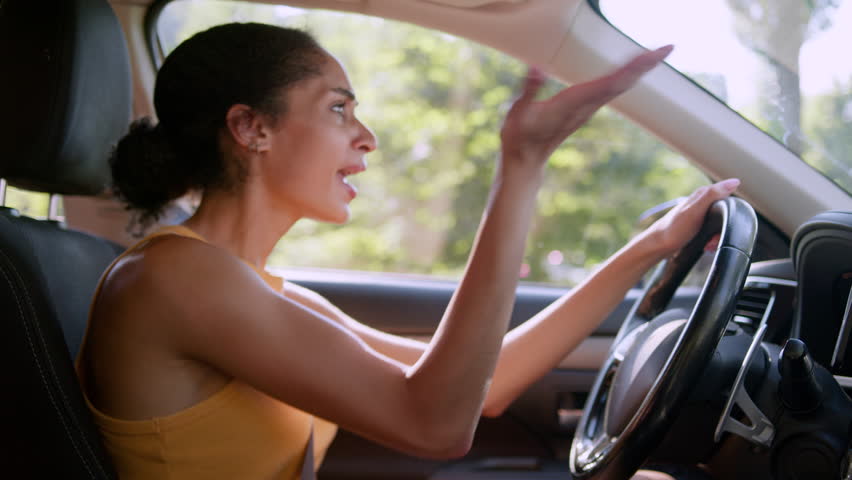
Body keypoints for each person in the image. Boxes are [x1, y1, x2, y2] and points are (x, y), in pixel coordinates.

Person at [75, 22, 736, 480]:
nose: (366, 137)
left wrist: (645, 249)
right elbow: (437, 427)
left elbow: (485, 386)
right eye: (338, 110)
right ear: (253, 129)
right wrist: (521, 164)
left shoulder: (252, 287)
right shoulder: (175, 277)